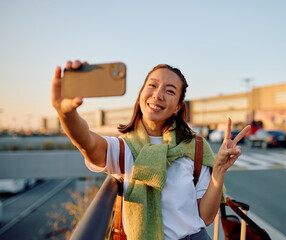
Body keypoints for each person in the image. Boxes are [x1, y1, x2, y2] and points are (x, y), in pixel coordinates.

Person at [51, 60, 251, 240]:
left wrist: (219, 170)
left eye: (170, 91)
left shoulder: (195, 147)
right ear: (140, 95)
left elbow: (205, 217)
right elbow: (87, 142)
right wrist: (66, 113)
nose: (158, 94)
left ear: (178, 107)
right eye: (152, 85)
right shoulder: (123, 148)